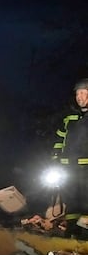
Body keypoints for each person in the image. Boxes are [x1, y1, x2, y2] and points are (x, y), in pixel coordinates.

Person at [51, 78, 88, 234]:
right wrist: (55, 158)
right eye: (77, 93)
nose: (79, 97)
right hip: (67, 167)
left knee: (86, 200)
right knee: (71, 201)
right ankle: (72, 230)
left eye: (83, 93)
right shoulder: (69, 118)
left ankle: (85, 233)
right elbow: (60, 139)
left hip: (86, 167)